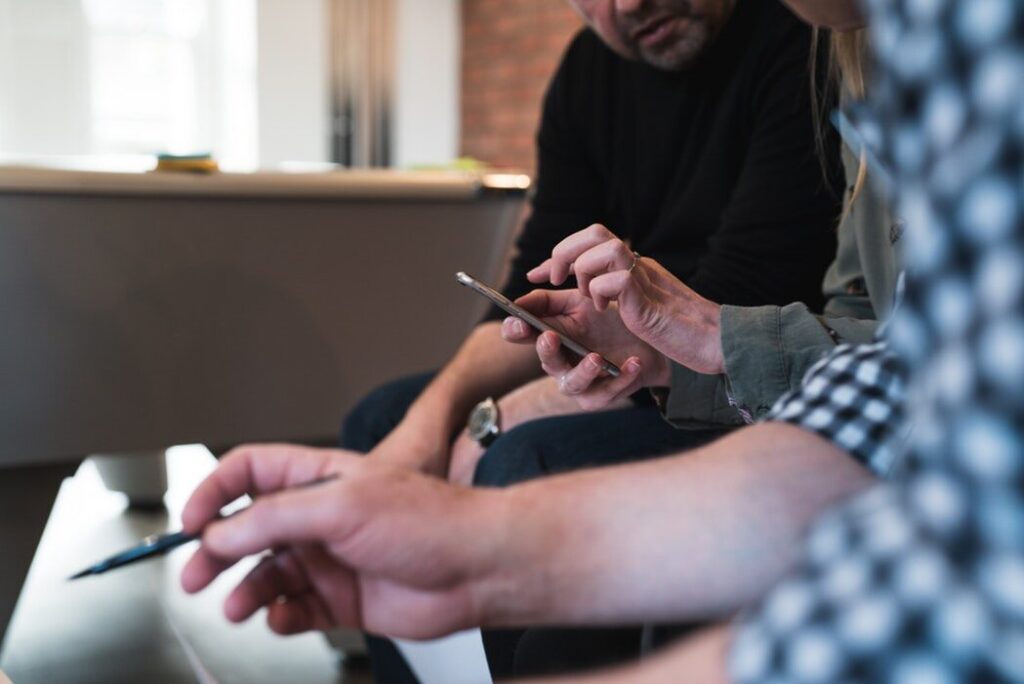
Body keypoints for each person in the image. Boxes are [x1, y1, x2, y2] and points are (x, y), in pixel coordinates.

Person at [344, 0, 842, 674]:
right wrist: (429, 424)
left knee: (524, 456)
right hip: (638, 355)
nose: (629, 3)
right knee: (381, 418)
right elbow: (525, 296)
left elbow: (737, 306)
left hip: (738, 380)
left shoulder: (800, 38)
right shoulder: (589, 71)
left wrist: (489, 423)